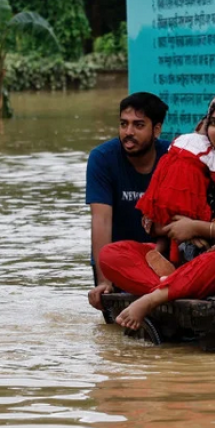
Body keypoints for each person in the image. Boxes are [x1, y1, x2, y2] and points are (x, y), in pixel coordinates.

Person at [99, 91, 215, 331]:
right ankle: (177, 289)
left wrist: (198, 228)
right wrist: (177, 227)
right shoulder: (192, 161)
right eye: (214, 123)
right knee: (112, 254)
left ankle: (154, 297)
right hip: (185, 263)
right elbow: (153, 219)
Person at [86, 92, 171, 311]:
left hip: (161, 257)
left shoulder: (172, 158)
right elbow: (101, 220)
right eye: (124, 124)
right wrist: (104, 282)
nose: (128, 132)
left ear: (157, 129)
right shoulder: (102, 158)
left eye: (138, 125)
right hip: (117, 262)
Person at [136, 129, 215, 263]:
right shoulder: (210, 150)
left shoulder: (180, 140)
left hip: (162, 193)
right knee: (180, 233)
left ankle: (158, 252)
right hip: (186, 202)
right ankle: (173, 264)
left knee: (169, 223)